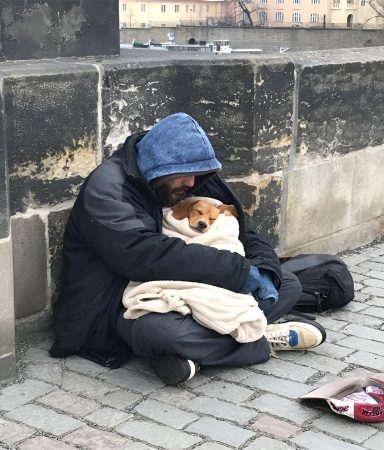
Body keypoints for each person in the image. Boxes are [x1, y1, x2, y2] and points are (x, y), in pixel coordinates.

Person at [50, 112, 327, 385]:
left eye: (196, 176)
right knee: (162, 332)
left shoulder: (192, 175)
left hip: (190, 286)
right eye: (184, 177)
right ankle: (260, 341)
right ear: (158, 167)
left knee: (286, 282)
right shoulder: (108, 187)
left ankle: (198, 353)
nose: (191, 184)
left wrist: (263, 270)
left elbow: (244, 231)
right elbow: (143, 254)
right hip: (117, 301)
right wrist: (238, 272)